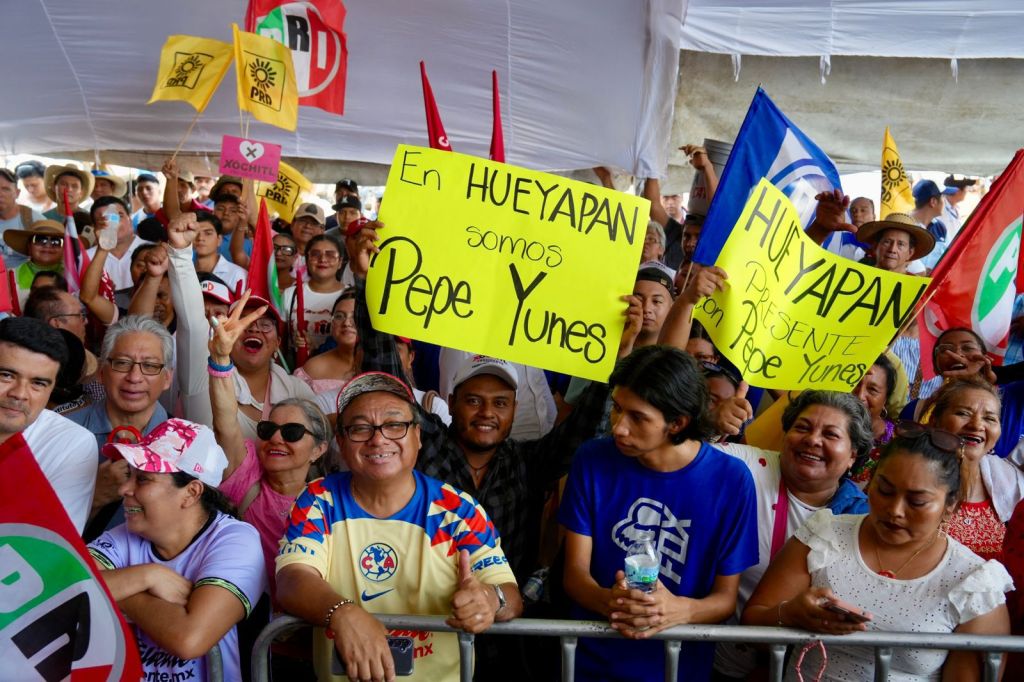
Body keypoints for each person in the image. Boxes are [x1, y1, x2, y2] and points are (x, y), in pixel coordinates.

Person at [276, 371, 522, 681]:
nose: (378, 439)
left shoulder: (458, 510)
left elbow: (510, 595)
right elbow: (292, 578)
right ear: (341, 441)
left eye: (394, 425)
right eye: (360, 428)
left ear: (417, 436)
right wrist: (342, 612)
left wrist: (489, 600)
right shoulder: (319, 500)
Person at [743, 425, 1012, 680]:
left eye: (917, 501)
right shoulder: (825, 536)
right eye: (884, 490)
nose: (895, 510)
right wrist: (791, 614)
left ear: (950, 504)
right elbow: (752, 626)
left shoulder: (973, 584)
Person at [559, 345, 758, 681]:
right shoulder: (592, 460)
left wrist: (676, 610)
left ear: (677, 423)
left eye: (637, 417)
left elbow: (725, 600)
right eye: (617, 409)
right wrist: (613, 602)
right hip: (588, 664)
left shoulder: (732, 480)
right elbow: (575, 575)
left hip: (678, 667)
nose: (619, 428)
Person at [87, 418, 265, 682]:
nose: (124, 489)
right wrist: (148, 576)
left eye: (143, 479)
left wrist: (115, 591)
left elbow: (189, 639)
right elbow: (60, 588)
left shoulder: (235, 540)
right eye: (129, 476)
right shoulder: (127, 535)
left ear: (191, 492)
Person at [710, 390, 871, 679]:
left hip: (800, 669)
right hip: (715, 660)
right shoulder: (747, 467)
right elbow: (679, 456)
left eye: (831, 434)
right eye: (802, 427)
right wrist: (709, 424)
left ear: (852, 455)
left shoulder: (861, 516)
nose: (813, 440)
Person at [209, 294, 330, 597]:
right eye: (268, 429)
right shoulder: (246, 476)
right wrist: (221, 359)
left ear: (319, 449)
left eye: (292, 432)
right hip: (253, 614)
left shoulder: (334, 500)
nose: (276, 438)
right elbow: (225, 423)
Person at [164, 213, 316, 441]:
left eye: (265, 324)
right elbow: (192, 323)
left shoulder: (297, 391)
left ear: (277, 343)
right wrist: (180, 254)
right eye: (242, 321)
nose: (254, 329)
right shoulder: (202, 380)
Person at [0, 316, 97, 533]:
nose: (20, 394)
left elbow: (44, 544)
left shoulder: (71, 444)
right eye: (6, 375)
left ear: (52, 389)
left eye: (38, 383)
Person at [925, 378, 1024, 560]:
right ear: (934, 421)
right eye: (963, 413)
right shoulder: (909, 475)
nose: (977, 425)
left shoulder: (1013, 485)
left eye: (989, 418)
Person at [282, 233, 346, 361]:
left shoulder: (349, 296)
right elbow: (282, 338)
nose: (323, 259)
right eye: (315, 254)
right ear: (307, 260)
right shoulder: (290, 294)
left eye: (330, 255)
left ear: (340, 262)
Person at [848, 354, 899, 488]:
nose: (860, 396)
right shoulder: (826, 429)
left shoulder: (896, 445)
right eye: (854, 384)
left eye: (872, 390)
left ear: (886, 399)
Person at [295, 288, 359, 392]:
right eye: (339, 316)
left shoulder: (382, 364)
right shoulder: (313, 369)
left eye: (355, 316)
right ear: (332, 323)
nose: (347, 323)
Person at [3, 219, 66, 308]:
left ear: (65, 249)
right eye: (40, 240)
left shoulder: (74, 277)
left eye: (56, 241)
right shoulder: (9, 276)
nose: (48, 245)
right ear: (29, 246)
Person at [0, 167, 43, 268]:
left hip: (24, 277)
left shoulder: (34, 220)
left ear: (17, 193)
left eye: (5, 189)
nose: (0, 194)